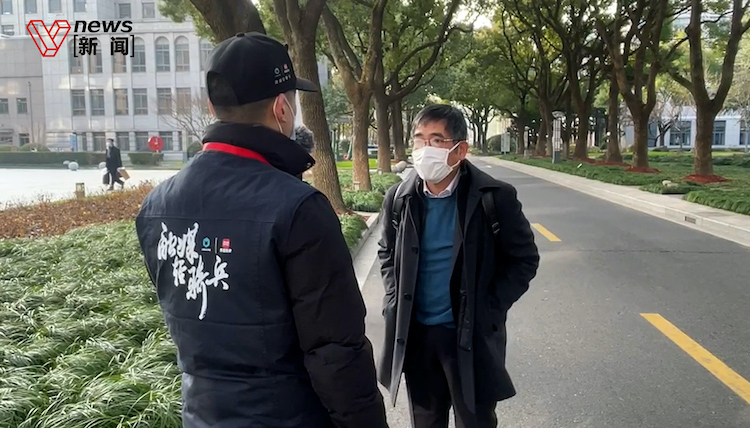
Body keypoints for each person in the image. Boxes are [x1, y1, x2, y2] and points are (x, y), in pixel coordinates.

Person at [134, 32, 388, 428]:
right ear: (282, 108)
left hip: (202, 417)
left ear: (212, 107)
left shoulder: (156, 207)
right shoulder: (298, 208)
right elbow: (335, 350)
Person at [377, 104, 540, 428]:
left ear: (460, 150)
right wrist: (394, 299)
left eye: (437, 140)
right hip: (418, 337)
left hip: (470, 337)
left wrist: (489, 307)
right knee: (425, 422)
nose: (425, 149)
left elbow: (524, 259)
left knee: (475, 421)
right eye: (420, 139)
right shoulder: (400, 198)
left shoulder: (494, 197)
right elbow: (386, 252)